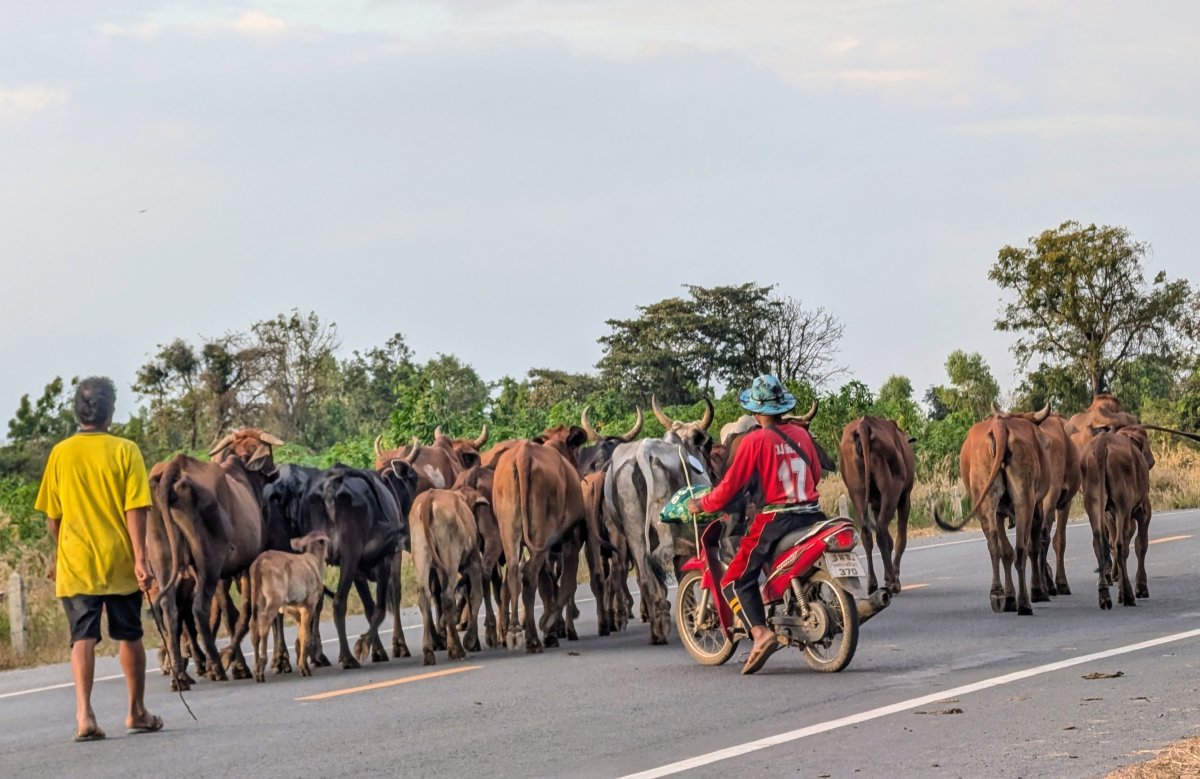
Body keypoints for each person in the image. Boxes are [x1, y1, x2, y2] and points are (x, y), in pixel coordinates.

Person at [34, 377, 163, 742]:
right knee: (130, 634)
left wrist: (64, 551)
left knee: (82, 636)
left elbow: (53, 517)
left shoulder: (61, 454)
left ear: (79, 412)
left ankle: (84, 715)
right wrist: (141, 559)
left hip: (77, 563)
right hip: (119, 560)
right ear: (110, 412)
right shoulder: (126, 450)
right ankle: (136, 711)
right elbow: (135, 508)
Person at [688, 374, 824, 675]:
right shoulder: (802, 435)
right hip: (814, 514)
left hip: (777, 520)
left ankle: (761, 634)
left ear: (755, 410)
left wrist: (702, 503)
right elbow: (815, 474)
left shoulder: (754, 441)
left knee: (734, 579)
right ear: (782, 406)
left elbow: (729, 488)